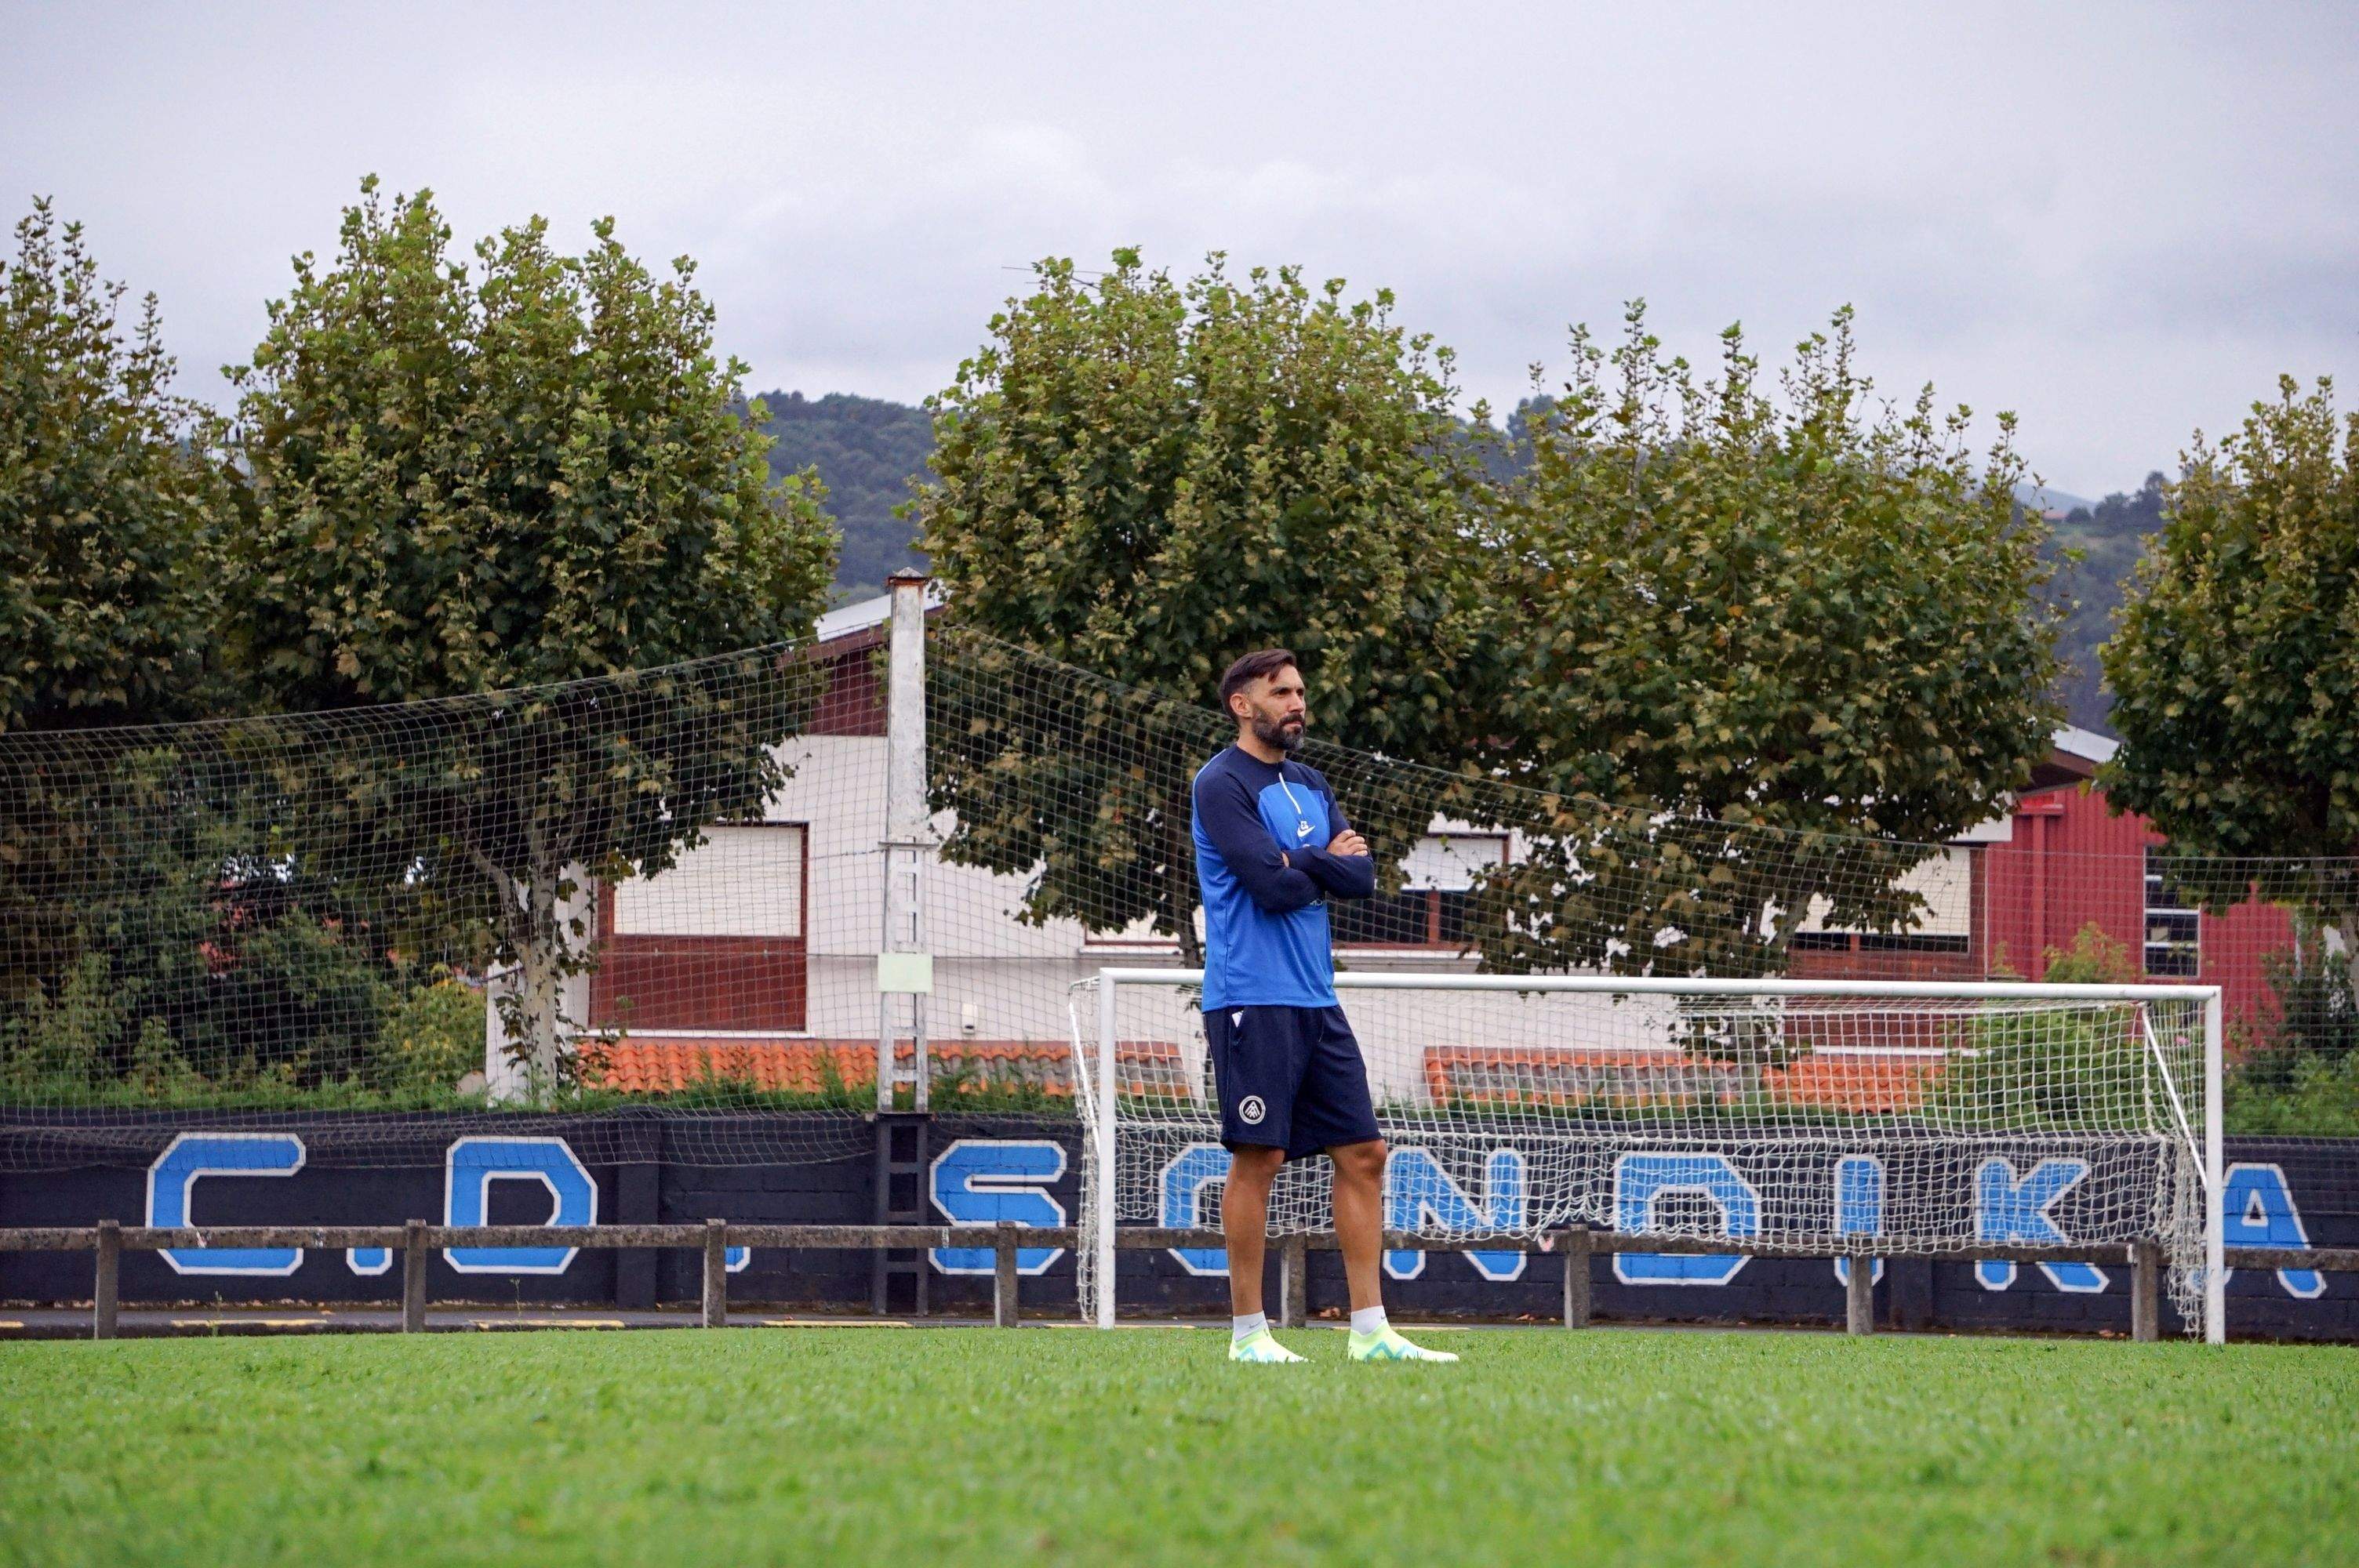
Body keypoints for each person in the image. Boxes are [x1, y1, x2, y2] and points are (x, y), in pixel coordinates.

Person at [1192, 648, 1458, 1365]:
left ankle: (1369, 1330)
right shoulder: (1220, 784)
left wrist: (1299, 863)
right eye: (1281, 692)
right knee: (1262, 1155)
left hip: (1315, 996)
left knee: (1366, 1153)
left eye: (1301, 691)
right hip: (1251, 996)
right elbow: (1269, 887)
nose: (1297, 703)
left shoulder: (1311, 782)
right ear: (1243, 705)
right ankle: (1250, 1334)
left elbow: (1363, 878)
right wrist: (1318, 863)